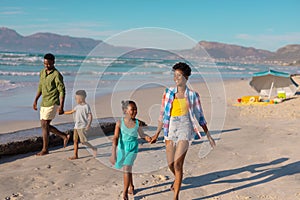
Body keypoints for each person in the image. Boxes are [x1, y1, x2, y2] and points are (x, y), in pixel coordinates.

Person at [151, 62, 216, 200]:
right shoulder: (168, 93)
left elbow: (200, 116)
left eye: (179, 76)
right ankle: (177, 179)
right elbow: (162, 114)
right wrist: (157, 133)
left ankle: (176, 196)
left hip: (185, 127)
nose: (176, 78)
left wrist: (208, 135)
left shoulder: (193, 95)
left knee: (178, 164)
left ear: (186, 77)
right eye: (174, 75)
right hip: (170, 127)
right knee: (170, 163)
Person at [109, 100, 152, 200]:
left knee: (127, 168)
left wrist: (147, 138)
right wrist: (113, 153)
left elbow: (142, 135)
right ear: (125, 111)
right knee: (128, 169)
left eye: (136, 109)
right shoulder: (119, 123)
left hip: (133, 148)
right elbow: (115, 137)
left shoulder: (137, 123)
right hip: (122, 148)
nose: (135, 111)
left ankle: (125, 193)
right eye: (132, 109)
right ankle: (131, 186)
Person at [33, 53, 70, 156]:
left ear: (53, 62)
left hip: (53, 102)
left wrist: (61, 106)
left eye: (49, 64)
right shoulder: (42, 72)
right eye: (45, 63)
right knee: (44, 125)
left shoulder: (57, 75)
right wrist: (35, 100)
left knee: (45, 124)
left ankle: (45, 149)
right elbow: (40, 87)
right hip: (44, 102)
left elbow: (62, 91)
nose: (47, 66)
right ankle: (64, 136)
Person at [64, 90, 97, 160]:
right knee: (75, 141)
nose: (76, 100)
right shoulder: (77, 106)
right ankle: (75, 155)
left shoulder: (86, 106)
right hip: (76, 126)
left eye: (77, 98)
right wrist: (63, 112)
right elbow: (71, 112)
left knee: (83, 142)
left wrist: (88, 125)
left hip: (82, 127)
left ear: (81, 99)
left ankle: (93, 148)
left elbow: (90, 116)